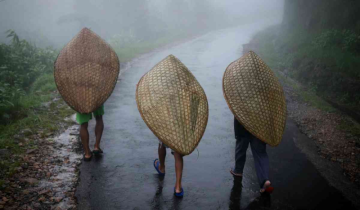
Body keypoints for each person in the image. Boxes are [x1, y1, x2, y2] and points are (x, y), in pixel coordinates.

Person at [230, 117, 274, 194]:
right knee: (260, 153)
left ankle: (238, 170)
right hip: (259, 122)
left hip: (242, 123)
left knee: (241, 147)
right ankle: (264, 180)